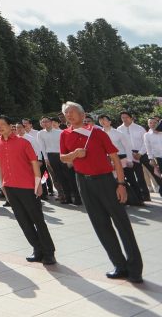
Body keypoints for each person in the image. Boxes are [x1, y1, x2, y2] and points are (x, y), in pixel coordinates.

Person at [60, 102, 143, 283]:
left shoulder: (97, 132)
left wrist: (120, 184)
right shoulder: (65, 134)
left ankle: (135, 268)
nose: (69, 115)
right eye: (66, 113)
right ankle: (119, 265)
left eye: (72, 112)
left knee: (122, 223)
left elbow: (114, 157)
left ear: (83, 114)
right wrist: (74, 154)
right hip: (83, 181)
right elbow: (63, 157)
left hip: (106, 180)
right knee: (100, 225)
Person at [0, 114, 55, 265]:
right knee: (23, 221)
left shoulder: (23, 142)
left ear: (10, 125)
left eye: (2, 124)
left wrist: (38, 183)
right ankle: (37, 249)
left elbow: (34, 162)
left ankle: (49, 253)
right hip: (10, 186)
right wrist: (3, 185)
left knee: (37, 220)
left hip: (28, 187)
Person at [98, 115, 143, 207]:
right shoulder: (99, 134)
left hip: (122, 157)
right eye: (100, 120)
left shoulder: (118, 133)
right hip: (108, 159)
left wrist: (130, 160)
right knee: (116, 180)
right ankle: (121, 200)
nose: (102, 121)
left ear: (110, 122)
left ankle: (139, 199)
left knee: (131, 178)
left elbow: (127, 146)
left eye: (104, 120)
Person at [118, 111, 150, 202]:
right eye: (122, 117)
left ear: (131, 118)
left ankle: (146, 195)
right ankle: (139, 196)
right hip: (128, 154)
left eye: (126, 117)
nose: (124, 119)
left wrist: (140, 153)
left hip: (142, 153)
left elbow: (145, 142)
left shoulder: (139, 128)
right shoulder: (119, 129)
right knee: (134, 176)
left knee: (147, 174)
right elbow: (120, 143)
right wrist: (129, 154)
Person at [144, 118, 162, 198]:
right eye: (150, 123)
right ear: (148, 124)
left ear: (158, 123)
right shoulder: (147, 135)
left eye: (155, 122)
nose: (152, 124)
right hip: (158, 159)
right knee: (159, 177)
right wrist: (151, 159)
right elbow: (148, 148)